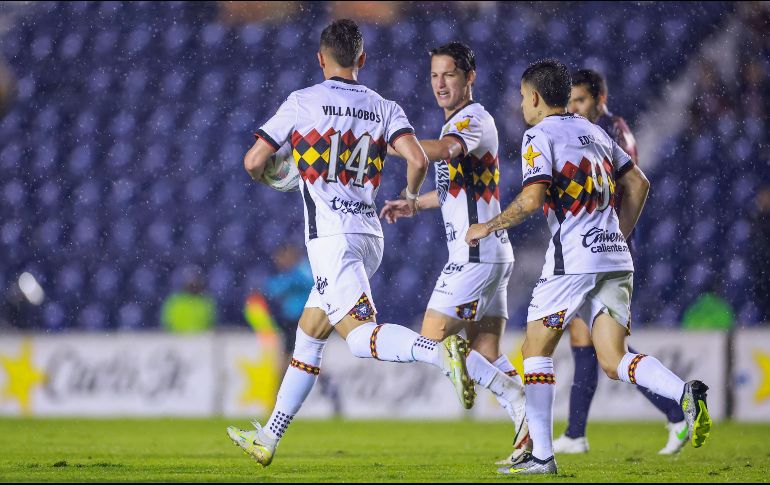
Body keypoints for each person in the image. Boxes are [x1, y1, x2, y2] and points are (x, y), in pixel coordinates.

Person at [226, 19, 474, 467]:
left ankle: (438, 352)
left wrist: (277, 174)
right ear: (362, 59)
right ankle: (269, 437)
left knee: (360, 339)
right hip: (368, 235)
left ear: (321, 59)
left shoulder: (302, 102)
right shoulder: (383, 107)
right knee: (308, 335)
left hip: (331, 239)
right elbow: (417, 158)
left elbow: (252, 161)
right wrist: (410, 197)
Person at [466, 59, 712, 475]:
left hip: (573, 260)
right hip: (616, 256)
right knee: (614, 360)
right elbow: (639, 183)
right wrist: (616, 232)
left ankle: (543, 456)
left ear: (536, 97)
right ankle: (685, 392)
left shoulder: (538, 136)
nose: (521, 105)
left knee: (534, 351)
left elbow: (531, 200)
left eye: (523, 97)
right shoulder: (596, 132)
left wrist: (487, 226)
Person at [380, 41, 529, 465]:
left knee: (432, 338)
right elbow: (453, 191)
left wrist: (391, 145)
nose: (440, 83)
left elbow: (443, 153)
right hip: (492, 253)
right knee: (486, 353)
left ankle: (513, 394)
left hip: (475, 254)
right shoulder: (456, 123)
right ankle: (531, 432)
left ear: (469, 78)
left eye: (449, 74)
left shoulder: (474, 119)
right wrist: (414, 203)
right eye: (434, 76)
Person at [551, 69, 688, 456]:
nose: (573, 108)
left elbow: (623, 191)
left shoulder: (607, 135)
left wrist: (618, 236)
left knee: (607, 351)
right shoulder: (604, 130)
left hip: (603, 254)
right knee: (590, 344)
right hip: (602, 250)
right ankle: (577, 433)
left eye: (580, 101)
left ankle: (677, 410)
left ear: (600, 97)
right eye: (570, 101)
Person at [160, 265, 216, 333]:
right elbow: (166, 324)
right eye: (190, 282)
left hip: (201, 340)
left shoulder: (207, 301)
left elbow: (213, 324)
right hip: (177, 340)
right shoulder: (174, 301)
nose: (193, 284)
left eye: (196, 281)